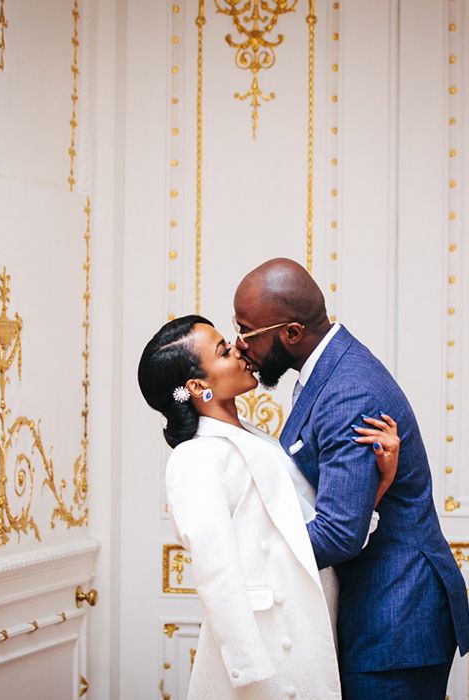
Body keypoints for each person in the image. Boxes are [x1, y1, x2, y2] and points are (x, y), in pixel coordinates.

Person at [233, 257, 469, 699]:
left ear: (291, 333)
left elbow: (339, 531)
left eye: (246, 332)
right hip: (380, 609)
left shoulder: (348, 392)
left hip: (395, 616)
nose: (239, 344)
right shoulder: (329, 370)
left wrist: (248, 563)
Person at [138, 315, 399, 699]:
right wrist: (250, 670)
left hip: (309, 629)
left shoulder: (264, 441)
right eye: (224, 351)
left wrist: (380, 482)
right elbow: (216, 571)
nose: (240, 349)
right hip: (264, 654)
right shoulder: (195, 457)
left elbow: (315, 528)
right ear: (197, 386)